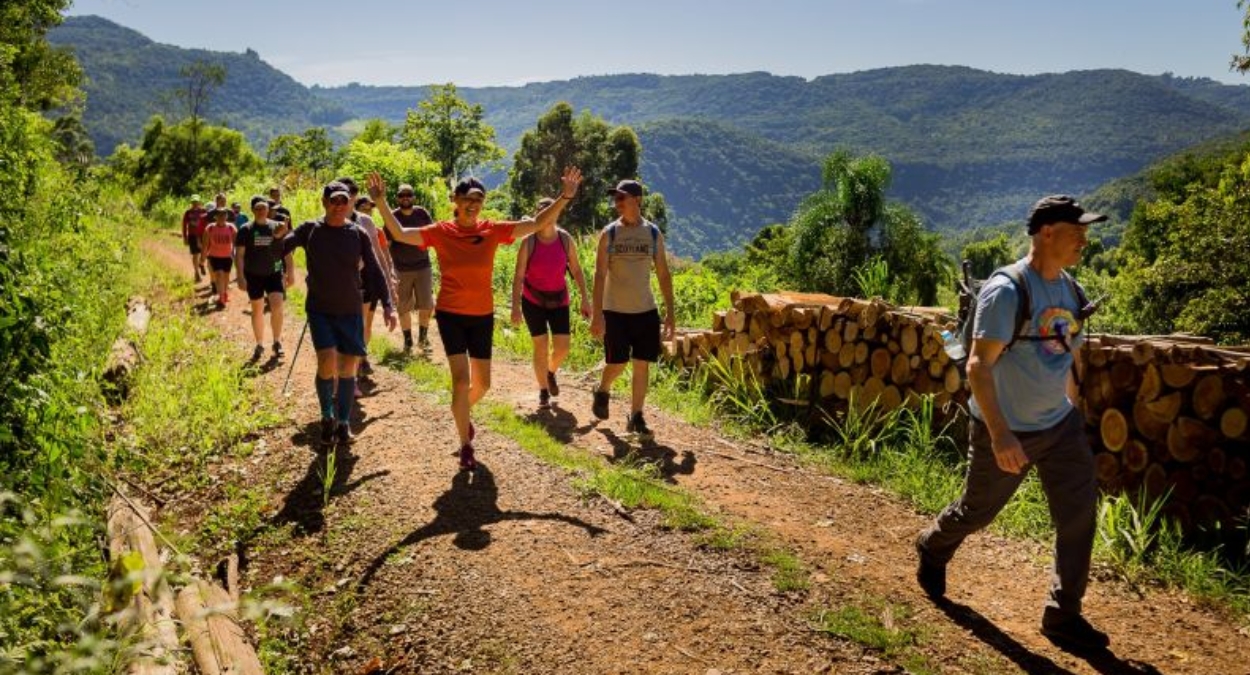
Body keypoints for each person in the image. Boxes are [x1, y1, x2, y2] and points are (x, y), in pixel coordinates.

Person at [915, 195, 1110, 651]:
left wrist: (1073, 410)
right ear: (1047, 233)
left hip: (1059, 427)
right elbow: (979, 367)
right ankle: (933, 545)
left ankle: (1063, 616)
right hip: (1006, 429)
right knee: (977, 511)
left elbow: (1072, 354)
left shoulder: (1070, 289)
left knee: (1078, 515)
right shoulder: (1006, 290)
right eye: (1076, 229)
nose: (1084, 238)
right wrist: (1000, 433)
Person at [369, 168, 582, 471]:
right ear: (455, 200)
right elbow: (402, 234)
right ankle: (465, 444)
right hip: (451, 315)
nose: (473, 205)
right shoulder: (441, 231)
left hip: (482, 316)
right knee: (461, 381)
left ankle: (461, 413)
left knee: (483, 385)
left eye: (478, 200)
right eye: (467, 199)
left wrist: (565, 197)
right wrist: (381, 202)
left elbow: (536, 224)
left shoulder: (492, 230)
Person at [275, 180, 397, 446]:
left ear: (349, 203)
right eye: (334, 201)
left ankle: (343, 423)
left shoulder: (358, 234)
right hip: (320, 309)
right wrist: (279, 237)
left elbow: (374, 271)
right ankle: (327, 416)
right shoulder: (310, 230)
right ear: (324, 202)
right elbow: (282, 248)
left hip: (351, 309)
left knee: (346, 367)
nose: (339, 206)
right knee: (327, 361)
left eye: (344, 201)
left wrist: (388, 305)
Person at [588, 179, 675, 442]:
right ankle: (603, 389)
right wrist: (597, 314)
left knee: (641, 364)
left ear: (637, 201)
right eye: (616, 198)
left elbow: (663, 273)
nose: (617, 203)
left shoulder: (652, 234)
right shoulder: (609, 233)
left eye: (622, 198)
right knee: (617, 362)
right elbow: (599, 275)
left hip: (646, 311)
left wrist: (670, 312)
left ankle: (636, 416)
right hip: (615, 311)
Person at [510, 197, 591, 408]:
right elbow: (519, 276)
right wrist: (516, 307)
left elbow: (576, 270)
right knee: (541, 345)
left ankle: (550, 372)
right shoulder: (529, 242)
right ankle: (543, 390)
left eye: (550, 212)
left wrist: (585, 297)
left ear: (556, 214)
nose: (546, 216)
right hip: (533, 300)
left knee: (563, 347)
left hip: (559, 300)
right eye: (541, 212)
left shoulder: (565, 240)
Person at [335, 176, 395, 379]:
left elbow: (378, 255)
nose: (347, 200)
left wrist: (388, 282)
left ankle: (359, 360)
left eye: (351, 195)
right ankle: (347, 368)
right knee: (348, 325)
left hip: (367, 279)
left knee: (364, 325)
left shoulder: (366, 222)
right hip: (341, 282)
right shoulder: (328, 220)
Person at [235, 196, 295, 360]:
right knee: (258, 310)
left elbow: (287, 252)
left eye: (264, 208)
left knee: (277, 306)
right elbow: (239, 255)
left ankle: (276, 342)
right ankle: (260, 344)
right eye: (258, 208)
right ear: (253, 211)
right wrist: (240, 276)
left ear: (268, 210)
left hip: (274, 273)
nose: (261, 210)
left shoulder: (278, 227)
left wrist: (291, 272)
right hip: (253, 275)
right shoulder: (246, 229)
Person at [386, 183, 436, 353]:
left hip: (423, 266)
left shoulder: (422, 213)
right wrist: (388, 268)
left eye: (408, 194)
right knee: (403, 307)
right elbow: (386, 244)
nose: (405, 198)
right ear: (397, 198)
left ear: (413, 197)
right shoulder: (392, 217)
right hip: (401, 269)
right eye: (401, 195)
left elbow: (432, 235)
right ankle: (408, 342)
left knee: (426, 305)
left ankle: (423, 339)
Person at [201, 206, 238, 308]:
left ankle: (224, 293)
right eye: (219, 215)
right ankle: (221, 298)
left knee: (226, 277)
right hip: (214, 256)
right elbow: (205, 245)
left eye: (224, 215)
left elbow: (236, 244)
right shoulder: (210, 228)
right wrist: (202, 260)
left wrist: (237, 257)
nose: (222, 217)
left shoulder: (231, 228)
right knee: (219, 275)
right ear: (215, 217)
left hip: (227, 257)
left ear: (226, 216)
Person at [181, 195, 208, 283]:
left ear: (200, 202)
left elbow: (208, 223)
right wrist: (185, 237)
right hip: (192, 236)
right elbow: (184, 225)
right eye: (193, 202)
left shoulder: (204, 211)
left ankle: (201, 264)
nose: (195, 204)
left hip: (203, 235)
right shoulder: (188, 212)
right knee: (195, 254)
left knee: (204, 253)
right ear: (191, 203)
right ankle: (196, 273)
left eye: (196, 202)